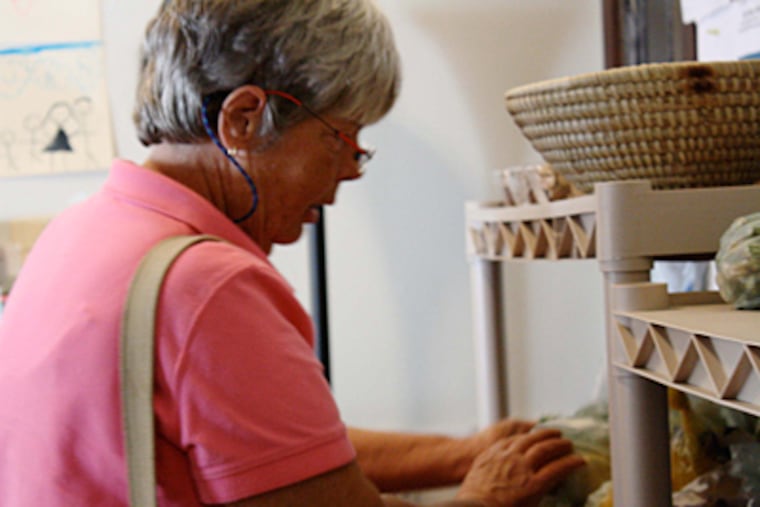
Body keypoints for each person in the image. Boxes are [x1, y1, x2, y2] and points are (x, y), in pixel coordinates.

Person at [0, 1, 585, 506]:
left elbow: (276, 446)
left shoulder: (81, 230)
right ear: (244, 119)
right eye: (343, 138)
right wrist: (484, 497)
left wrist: (462, 454)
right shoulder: (206, 286)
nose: (353, 170)